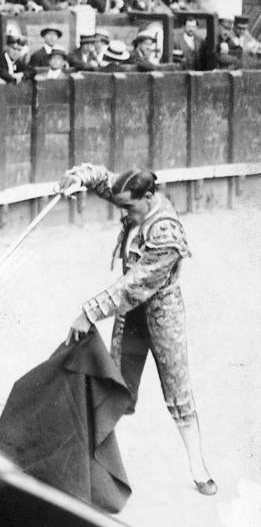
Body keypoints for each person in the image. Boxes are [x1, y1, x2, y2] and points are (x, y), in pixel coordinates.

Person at [59, 164, 216, 496]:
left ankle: (198, 467)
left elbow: (135, 285)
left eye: (129, 207)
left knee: (177, 389)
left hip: (162, 312)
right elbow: (104, 179)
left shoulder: (166, 233)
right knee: (114, 385)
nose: (124, 212)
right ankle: (95, 463)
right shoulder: (136, 196)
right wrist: (79, 178)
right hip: (130, 315)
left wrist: (89, 311)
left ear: (149, 197)